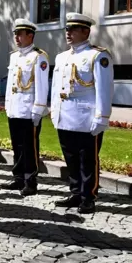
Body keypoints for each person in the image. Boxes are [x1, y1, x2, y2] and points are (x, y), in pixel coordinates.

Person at [51, 14, 113, 214]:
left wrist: (102, 117)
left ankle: (88, 196)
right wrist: (54, 111)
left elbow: (104, 89)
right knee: (70, 157)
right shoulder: (62, 57)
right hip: (66, 114)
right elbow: (55, 88)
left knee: (88, 159)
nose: (68, 33)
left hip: (86, 117)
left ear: (86, 32)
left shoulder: (98, 55)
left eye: (73, 30)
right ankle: (76, 191)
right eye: (67, 30)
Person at [1, 19, 49, 196]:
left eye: (20, 34)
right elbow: (10, 85)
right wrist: (7, 104)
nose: (17, 37)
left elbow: (42, 85)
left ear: (30, 35)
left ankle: (30, 181)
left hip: (29, 109)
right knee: (17, 146)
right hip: (15, 108)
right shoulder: (15, 56)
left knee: (30, 147)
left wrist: (38, 108)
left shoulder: (38, 56)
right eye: (15, 34)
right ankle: (18, 178)